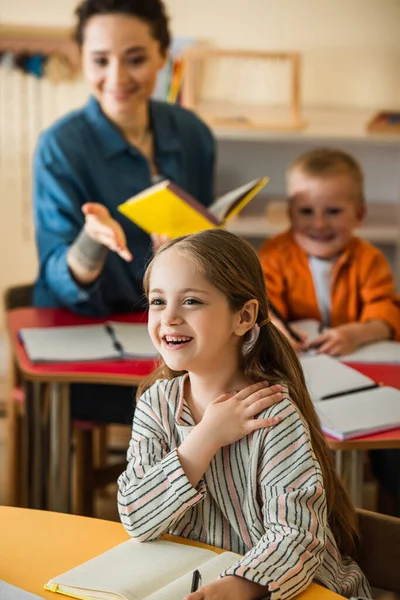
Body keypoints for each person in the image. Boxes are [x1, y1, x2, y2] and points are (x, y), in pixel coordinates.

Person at [117, 229, 371, 600]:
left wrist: (242, 584)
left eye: (190, 301)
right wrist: (206, 437)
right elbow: (136, 518)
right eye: (157, 302)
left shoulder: (272, 414)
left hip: (294, 590)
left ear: (244, 316)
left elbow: (297, 535)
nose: (168, 317)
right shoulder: (156, 403)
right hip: (194, 581)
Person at [32, 0, 215, 423]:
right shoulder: (60, 146)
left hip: (174, 332)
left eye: (135, 59)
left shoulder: (194, 135)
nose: (116, 78)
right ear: (82, 60)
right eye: (100, 60)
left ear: (162, 58)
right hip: (83, 333)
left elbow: (205, 241)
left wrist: (191, 249)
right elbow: (59, 275)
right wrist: (91, 244)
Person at [259, 148, 400, 357]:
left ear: (359, 215)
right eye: (306, 211)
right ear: (290, 213)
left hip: (356, 357)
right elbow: (263, 305)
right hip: (298, 359)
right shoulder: (273, 255)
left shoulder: (369, 259)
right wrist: (276, 330)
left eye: (333, 211)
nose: (319, 224)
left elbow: (387, 313)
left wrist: (357, 334)